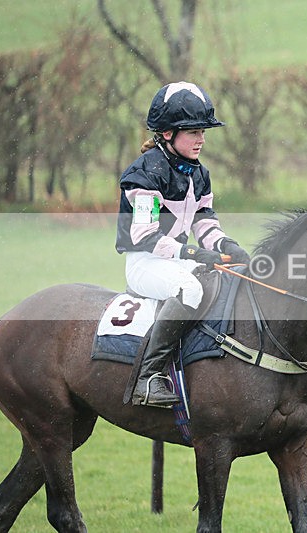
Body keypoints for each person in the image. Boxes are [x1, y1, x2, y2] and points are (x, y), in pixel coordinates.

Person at [115, 81, 251, 408]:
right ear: (167, 134)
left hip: (174, 261)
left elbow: (204, 222)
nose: (201, 139)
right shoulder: (143, 173)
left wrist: (228, 246)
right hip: (144, 263)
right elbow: (144, 236)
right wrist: (195, 253)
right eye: (193, 132)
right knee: (190, 289)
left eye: (203, 132)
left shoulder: (199, 174)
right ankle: (148, 377)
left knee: (222, 278)